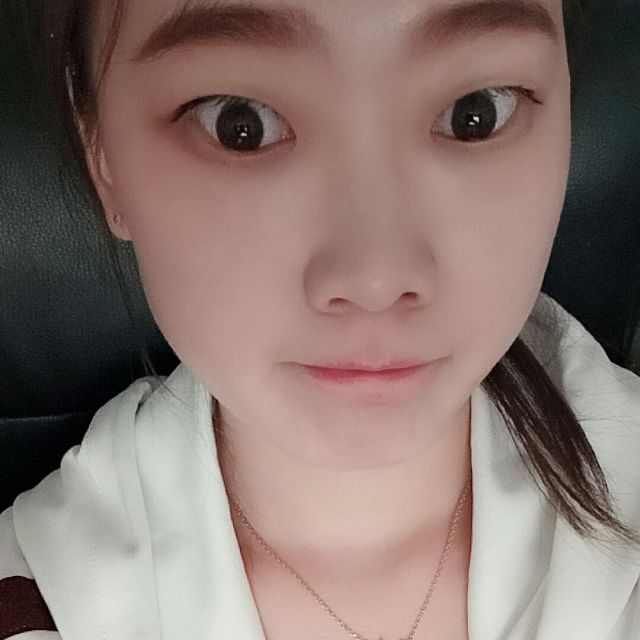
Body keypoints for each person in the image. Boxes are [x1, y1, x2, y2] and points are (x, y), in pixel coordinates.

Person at [1, 0, 639, 638]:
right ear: (102, 157)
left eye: (476, 113)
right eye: (239, 124)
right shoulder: (33, 601)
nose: (375, 280)